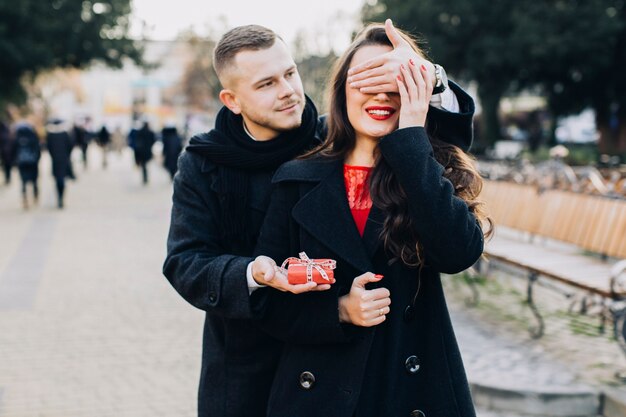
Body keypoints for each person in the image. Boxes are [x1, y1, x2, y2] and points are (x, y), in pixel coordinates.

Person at [163, 22, 477, 417]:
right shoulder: (203, 164)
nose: (289, 91)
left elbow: (430, 147)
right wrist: (254, 273)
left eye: (290, 73)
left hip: (344, 359)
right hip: (248, 357)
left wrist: (430, 79)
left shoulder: (333, 138)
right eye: (266, 84)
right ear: (232, 100)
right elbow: (184, 262)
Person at [251, 23, 492, 417]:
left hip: (409, 390)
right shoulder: (295, 181)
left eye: (395, 81)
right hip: (319, 393)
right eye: (366, 79)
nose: (381, 93)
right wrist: (339, 310)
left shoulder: (428, 172)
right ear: (342, 89)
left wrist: (412, 133)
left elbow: (458, 253)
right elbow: (268, 305)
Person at [45, 118, 73, 208]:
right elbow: (70, 146)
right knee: (62, 179)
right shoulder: (64, 134)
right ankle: (61, 197)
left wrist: (53, 155)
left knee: (58, 180)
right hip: (64, 160)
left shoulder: (50, 135)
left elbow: (49, 148)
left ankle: (59, 197)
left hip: (55, 161)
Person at [14, 122, 41, 209]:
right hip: (33, 163)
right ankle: (35, 196)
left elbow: (14, 151)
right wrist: (37, 160)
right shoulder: (33, 137)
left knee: (23, 182)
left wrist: (15, 162)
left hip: (22, 163)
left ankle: (25, 199)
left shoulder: (17, 138)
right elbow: (38, 150)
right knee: (34, 181)